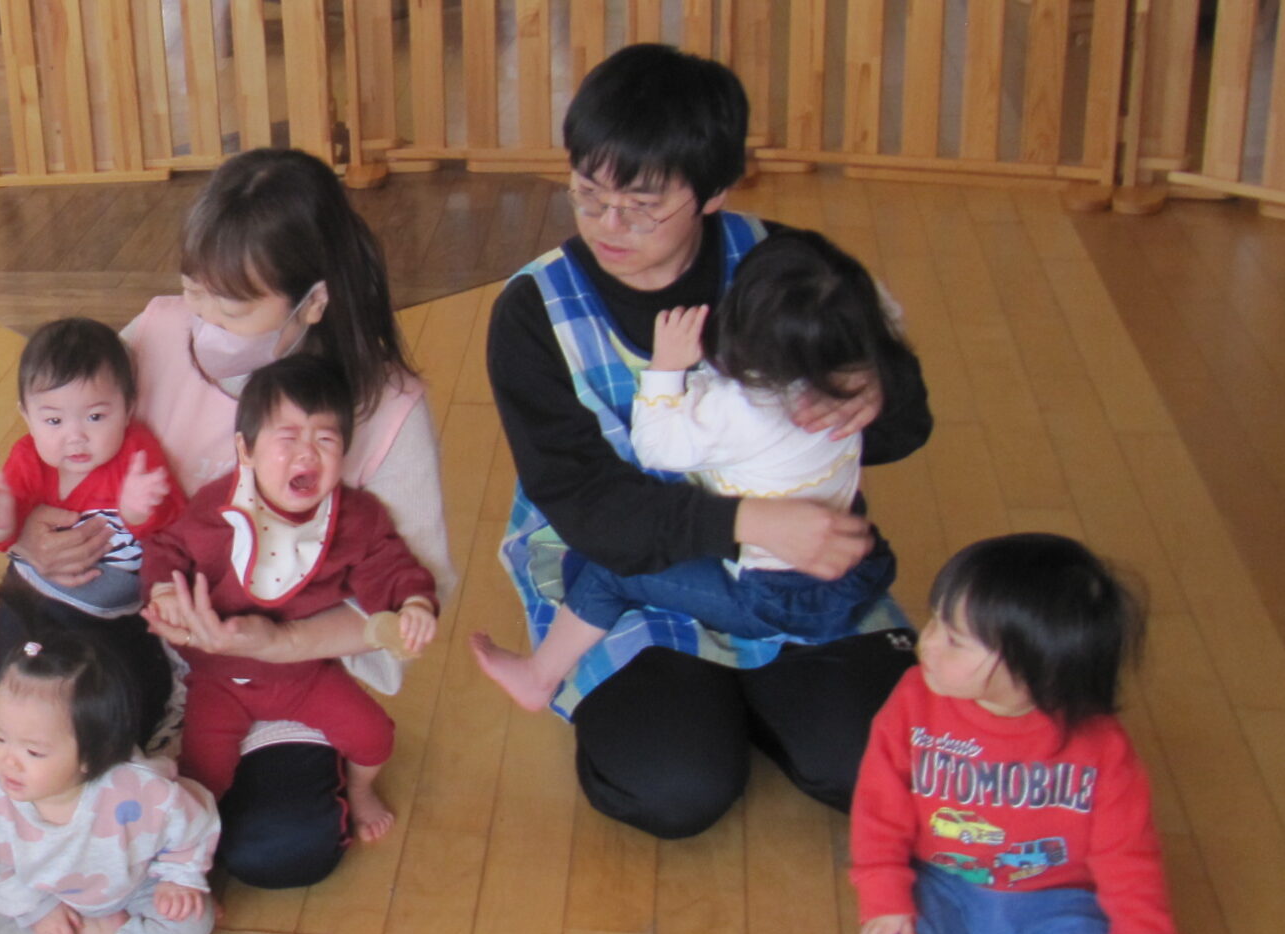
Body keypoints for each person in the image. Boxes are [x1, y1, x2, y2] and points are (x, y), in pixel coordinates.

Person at [486, 43, 931, 841]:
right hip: (623, 565)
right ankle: (724, 696)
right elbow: (592, 513)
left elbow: (905, 429)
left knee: (884, 766)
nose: (608, 225)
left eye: (643, 206)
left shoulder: (789, 270)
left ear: (715, 192)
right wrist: (746, 523)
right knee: (674, 788)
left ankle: (751, 692)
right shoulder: (532, 311)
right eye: (588, 194)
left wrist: (877, 387)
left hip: (792, 564)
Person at [12, 149, 451, 891]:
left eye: (235, 306)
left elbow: (412, 595)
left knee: (277, 848)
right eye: (194, 290)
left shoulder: (381, 408)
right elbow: (52, 448)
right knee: (27, 772)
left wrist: (281, 641)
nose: (206, 320)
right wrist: (31, 530)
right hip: (127, 616)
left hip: (279, 665)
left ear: (311, 303)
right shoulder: (154, 334)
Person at [801, 535, 1285, 934]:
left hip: (1057, 909)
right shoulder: (913, 700)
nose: (926, 641)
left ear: (1035, 667)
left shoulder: (1101, 749)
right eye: (935, 620)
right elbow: (880, 809)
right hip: (940, 889)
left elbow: (1131, 866)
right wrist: (887, 900)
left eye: (955, 639)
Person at [472, 229, 901, 710]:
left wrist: (668, 369)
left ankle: (539, 676)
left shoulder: (737, 408)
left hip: (771, 596)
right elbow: (884, 316)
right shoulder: (846, 386)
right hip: (855, 572)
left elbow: (657, 448)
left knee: (610, 572)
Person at [142, 356, 437, 843]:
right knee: (202, 779)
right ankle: (190, 862)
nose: (307, 454)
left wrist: (416, 605)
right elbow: (165, 548)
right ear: (247, 449)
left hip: (305, 674)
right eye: (288, 438)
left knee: (375, 736)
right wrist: (165, 589)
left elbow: (391, 565)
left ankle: (360, 792)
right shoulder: (218, 509)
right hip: (218, 680)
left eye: (326, 440)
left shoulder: (354, 517)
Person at [0, 598, 219, 934]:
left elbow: (195, 818)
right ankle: (96, 933)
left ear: (91, 755)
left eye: (33, 751)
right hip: (47, 893)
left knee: (195, 916)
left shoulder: (133, 789)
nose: (7, 761)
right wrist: (38, 910)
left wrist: (180, 877)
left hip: (131, 883)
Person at [0, 317, 183, 741]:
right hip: (32, 600)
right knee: (17, 674)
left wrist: (140, 512)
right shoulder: (28, 459)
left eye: (96, 416)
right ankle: (13, 729)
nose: (75, 438)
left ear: (129, 408)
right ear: (26, 417)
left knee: (127, 693)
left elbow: (176, 527)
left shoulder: (136, 454)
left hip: (114, 616)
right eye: (53, 421)